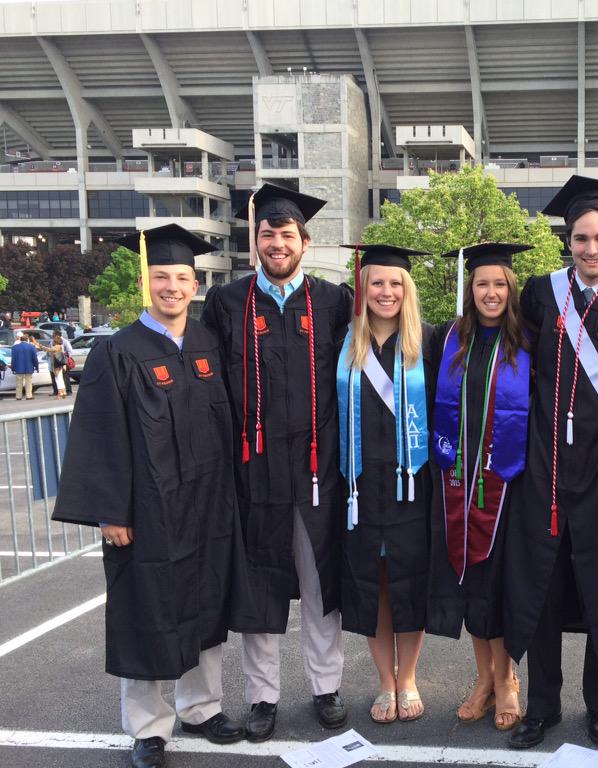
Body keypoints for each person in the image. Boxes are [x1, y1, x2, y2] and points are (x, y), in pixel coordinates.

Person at [52, 224, 251, 768]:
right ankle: (147, 726)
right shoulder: (118, 352)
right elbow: (98, 433)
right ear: (147, 281)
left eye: (182, 277)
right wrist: (111, 512)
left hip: (209, 505)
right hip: (149, 511)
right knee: (147, 610)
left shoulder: (210, 344)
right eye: (161, 276)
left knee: (206, 605)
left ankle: (202, 707)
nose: (172, 286)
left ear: (195, 283)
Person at [503, 176, 598, 749]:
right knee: (541, 587)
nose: (589, 249)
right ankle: (542, 704)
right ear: (566, 241)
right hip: (544, 468)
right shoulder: (542, 295)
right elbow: (518, 371)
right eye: (578, 239)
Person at [201, 184, 353, 741]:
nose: (276, 242)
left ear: (304, 242)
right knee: (259, 585)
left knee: (320, 585)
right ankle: (262, 697)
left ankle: (325, 687)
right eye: (267, 234)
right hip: (255, 471)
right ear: (254, 242)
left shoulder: (334, 302)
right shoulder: (228, 303)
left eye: (286, 234)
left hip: (319, 470)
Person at [427, 243, 532, 731]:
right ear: (470, 290)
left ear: (512, 290)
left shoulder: (529, 341)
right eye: (482, 284)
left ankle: (506, 679)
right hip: (458, 481)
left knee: (501, 583)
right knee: (472, 579)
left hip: (510, 483)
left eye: (499, 284)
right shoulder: (451, 339)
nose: (491, 292)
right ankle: (483, 678)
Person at [336, 244, 436, 724]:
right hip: (358, 489)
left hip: (412, 487)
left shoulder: (429, 343)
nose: (386, 291)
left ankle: (409, 677)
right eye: (376, 282)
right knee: (373, 583)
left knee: (408, 583)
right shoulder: (343, 345)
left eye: (396, 283)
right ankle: (384, 682)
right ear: (363, 289)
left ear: (407, 290)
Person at [11, 332, 39, 400]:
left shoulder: (14, 347)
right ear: (27, 340)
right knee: (28, 382)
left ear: (20, 339)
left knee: (18, 383)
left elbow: (13, 359)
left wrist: (13, 368)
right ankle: (29, 396)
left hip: (18, 367)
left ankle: (18, 396)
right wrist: (36, 366)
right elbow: (34, 358)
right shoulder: (31, 347)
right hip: (29, 367)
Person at [43, 329, 69, 398]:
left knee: (58, 379)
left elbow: (48, 350)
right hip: (61, 365)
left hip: (57, 365)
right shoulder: (60, 347)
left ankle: (60, 393)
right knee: (60, 379)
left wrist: (39, 345)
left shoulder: (56, 347)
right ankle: (63, 392)